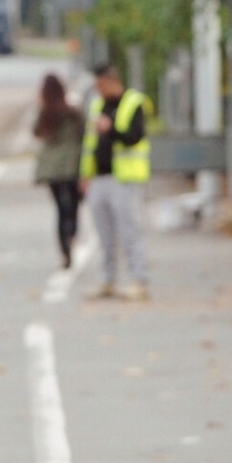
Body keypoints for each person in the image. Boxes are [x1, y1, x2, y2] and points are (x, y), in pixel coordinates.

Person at [80, 62, 151, 302]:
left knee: (129, 230)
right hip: (99, 177)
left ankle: (138, 279)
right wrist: (85, 174)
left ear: (112, 80)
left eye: (101, 85)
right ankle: (107, 279)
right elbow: (89, 144)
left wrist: (111, 130)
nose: (98, 90)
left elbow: (135, 136)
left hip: (124, 178)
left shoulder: (133, 103)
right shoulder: (98, 104)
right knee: (104, 233)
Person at [32, 73, 86, 269]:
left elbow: (36, 133)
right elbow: (83, 133)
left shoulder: (45, 113)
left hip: (52, 167)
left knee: (60, 209)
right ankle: (71, 234)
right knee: (72, 205)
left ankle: (64, 250)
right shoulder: (73, 112)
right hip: (72, 163)